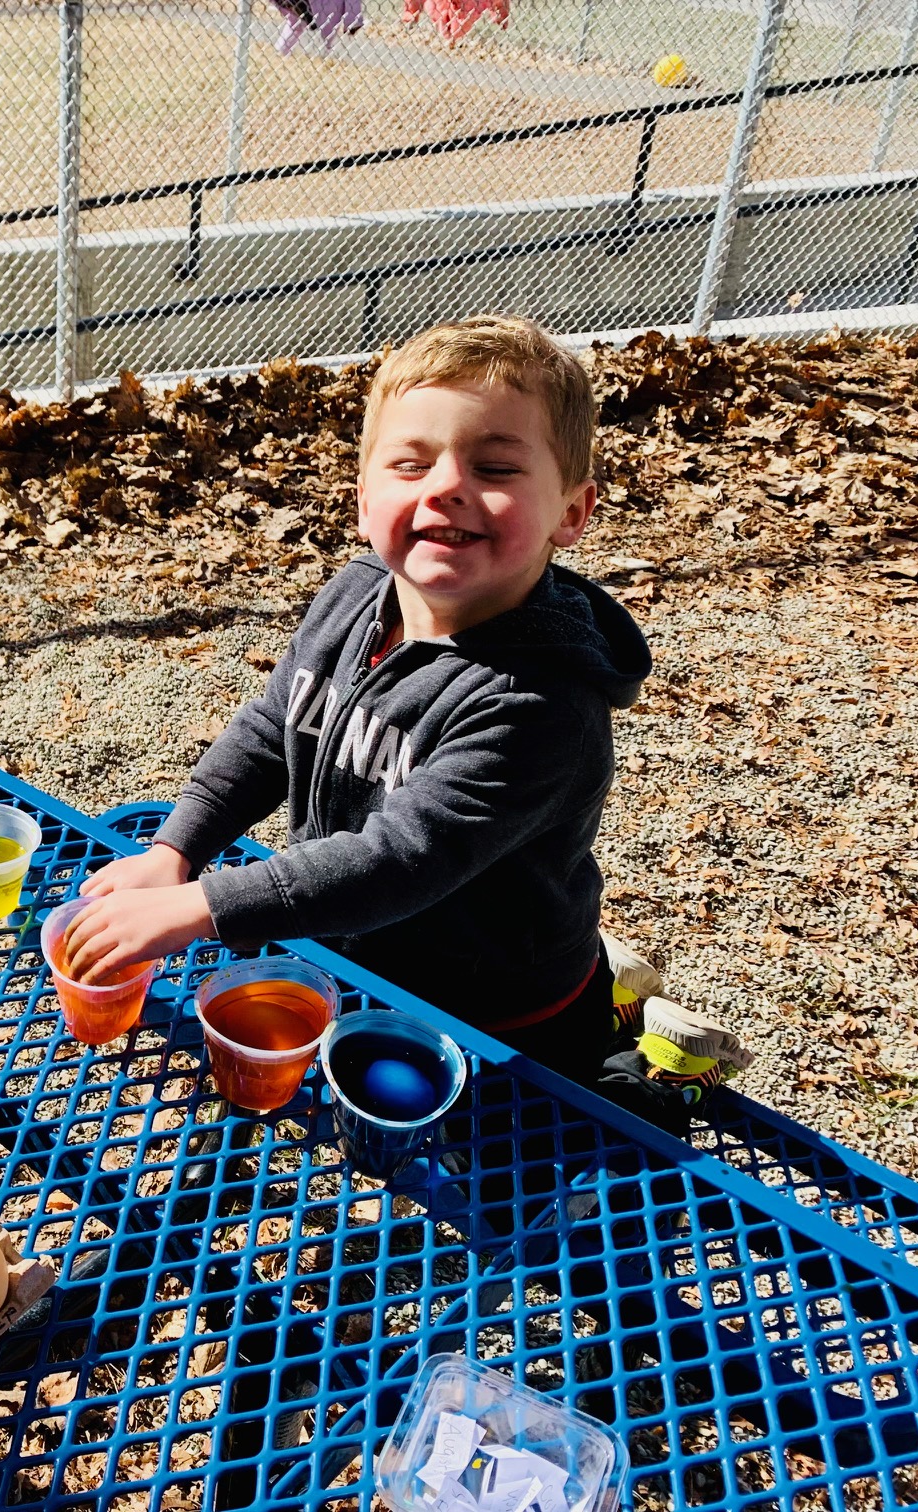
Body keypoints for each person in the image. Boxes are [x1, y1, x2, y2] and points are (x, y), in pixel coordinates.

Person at [62, 315, 744, 1121]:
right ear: (363, 498)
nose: (445, 485)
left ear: (571, 511)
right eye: (410, 463)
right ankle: (615, 987)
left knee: (518, 1155)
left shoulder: (538, 703)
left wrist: (206, 906)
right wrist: (177, 848)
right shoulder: (355, 594)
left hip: (500, 1008)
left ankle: (653, 1068)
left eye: (494, 465)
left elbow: (399, 860)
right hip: (367, 955)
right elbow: (274, 725)